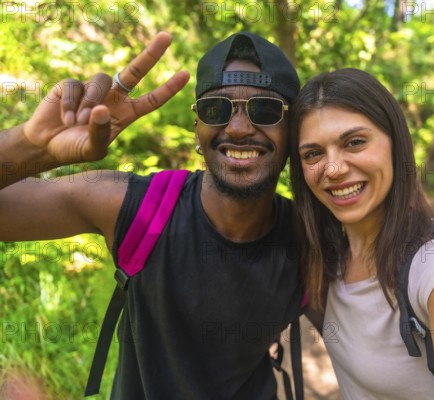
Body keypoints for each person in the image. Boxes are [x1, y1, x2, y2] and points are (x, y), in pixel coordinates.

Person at [0, 31, 304, 399]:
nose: (238, 128)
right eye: (217, 109)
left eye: (267, 110)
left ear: (292, 132)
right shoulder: (140, 207)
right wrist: (33, 147)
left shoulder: (309, 239)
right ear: (197, 126)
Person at [289, 68, 434, 399]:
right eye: (313, 153)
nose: (333, 168)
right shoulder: (325, 259)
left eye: (354, 142)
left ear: (394, 145)